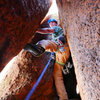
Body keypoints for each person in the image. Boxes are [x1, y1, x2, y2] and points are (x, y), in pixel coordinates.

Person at [24, 19, 70, 100]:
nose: (52, 24)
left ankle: (39, 49)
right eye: (50, 23)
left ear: (56, 23)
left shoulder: (57, 28)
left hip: (61, 48)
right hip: (61, 57)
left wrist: (36, 29)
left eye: (53, 22)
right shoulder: (55, 34)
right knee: (57, 75)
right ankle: (63, 98)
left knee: (45, 43)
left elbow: (48, 30)